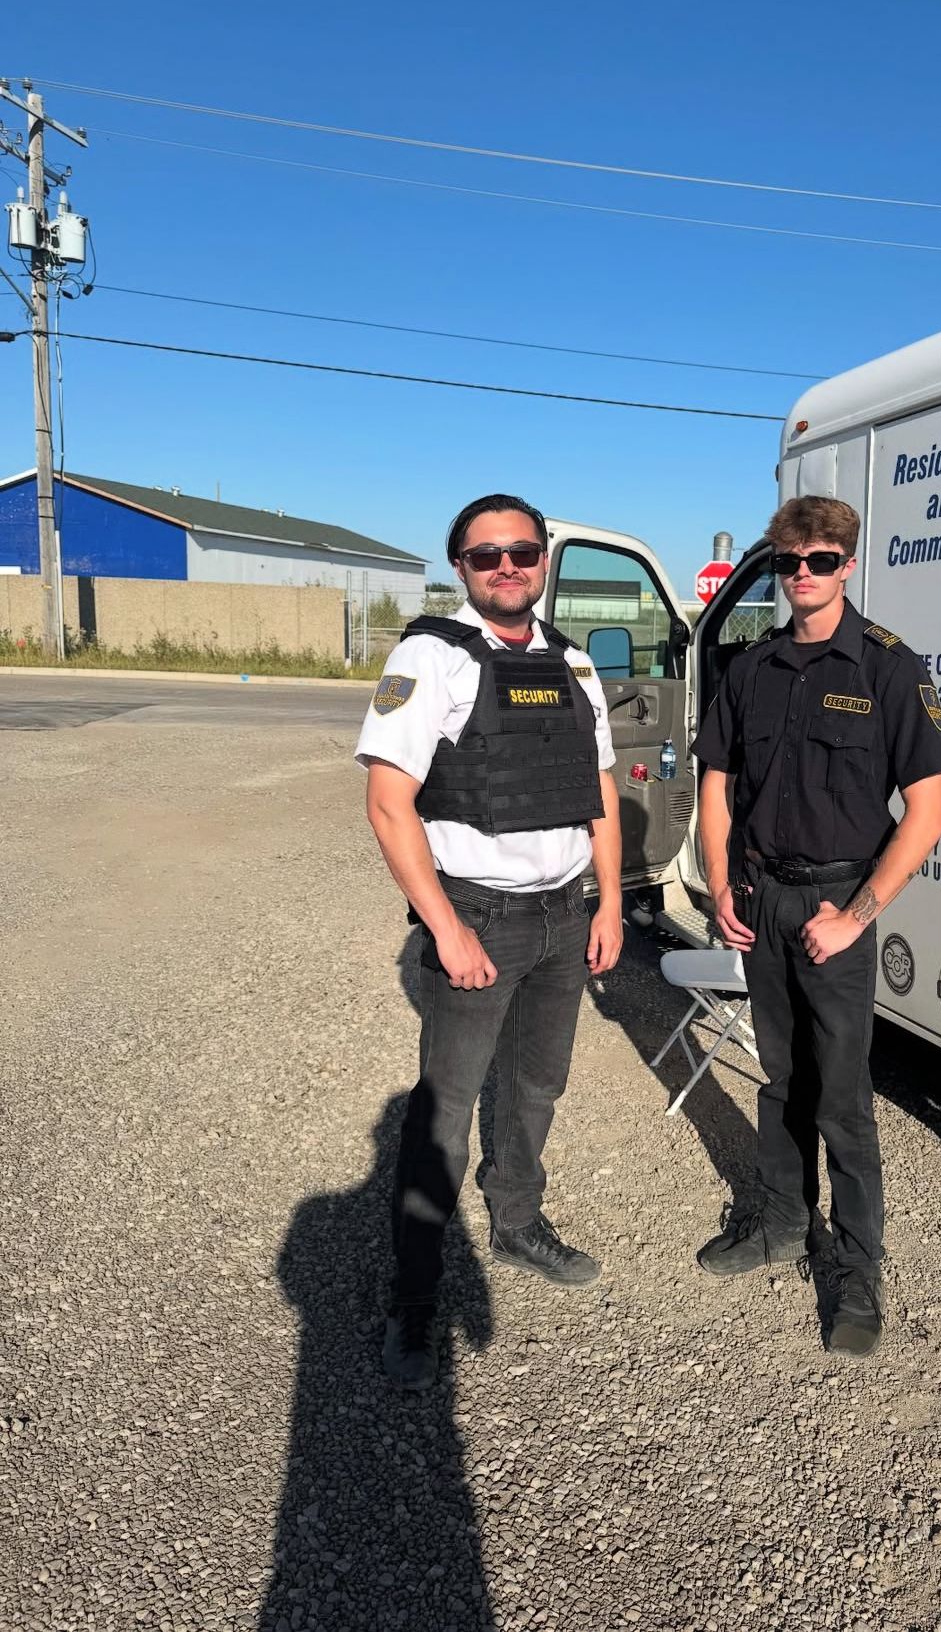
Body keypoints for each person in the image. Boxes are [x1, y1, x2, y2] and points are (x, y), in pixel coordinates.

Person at [355, 492, 623, 1389]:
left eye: (522, 551)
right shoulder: (428, 657)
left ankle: (516, 1225)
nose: (507, 567)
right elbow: (388, 804)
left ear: (544, 558)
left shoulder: (573, 662)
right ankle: (415, 1299)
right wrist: (447, 926)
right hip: (480, 916)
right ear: (461, 567)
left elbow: (599, 790)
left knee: (538, 1085)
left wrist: (609, 904)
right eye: (486, 555)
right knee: (444, 1114)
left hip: (565, 913)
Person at [691, 494, 941, 1358]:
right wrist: (720, 884)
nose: (801, 575)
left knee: (841, 1098)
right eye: (787, 562)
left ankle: (857, 1266)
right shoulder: (751, 669)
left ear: (847, 565)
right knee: (779, 1077)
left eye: (818, 560)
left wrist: (856, 916)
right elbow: (715, 787)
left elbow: (927, 814)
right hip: (761, 900)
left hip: (836, 906)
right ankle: (780, 1222)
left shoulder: (889, 668)